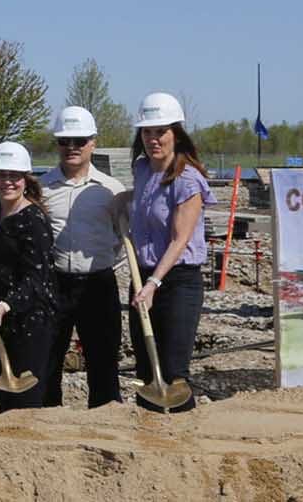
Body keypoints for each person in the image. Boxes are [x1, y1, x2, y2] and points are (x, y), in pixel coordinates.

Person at [126, 92, 213, 413]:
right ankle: (150, 442)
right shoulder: (142, 170)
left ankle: (183, 442)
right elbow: (142, 206)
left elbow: (179, 240)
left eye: (160, 131)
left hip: (177, 282)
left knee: (174, 373)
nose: (153, 139)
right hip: (143, 277)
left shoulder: (187, 179)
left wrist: (154, 284)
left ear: (176, 133)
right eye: (147, 132)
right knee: (147, 369)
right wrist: (119, 203)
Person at [39, 106, 126, 408]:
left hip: (98, 285)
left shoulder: (111, 190)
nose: (72, 148)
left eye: (79, 141)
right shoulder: (41, 189)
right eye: (65, 141)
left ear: (93, 143)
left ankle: (106, 425)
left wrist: (103, 262)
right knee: (48, 361)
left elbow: (121, 238)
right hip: (55, 284)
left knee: (103, 363)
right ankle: (48, 426)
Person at [0, 142, 57, 412]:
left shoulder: (34, 220)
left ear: (26, 180)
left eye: (14, 176)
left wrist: (5, 306)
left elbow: (37, 278)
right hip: (0, 318)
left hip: (29, 321)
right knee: (6, 399)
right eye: (1, 175)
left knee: (27, 404)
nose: (7, 182)